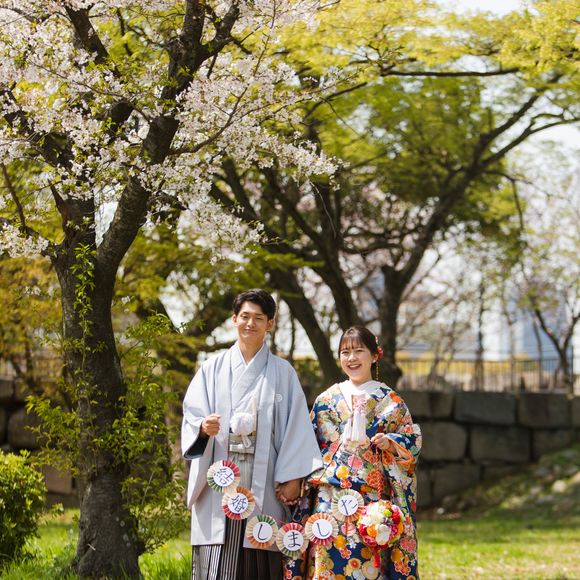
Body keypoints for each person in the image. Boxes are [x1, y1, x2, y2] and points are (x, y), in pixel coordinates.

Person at [181, 289, 323, 580]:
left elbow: (296, 427)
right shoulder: (211, 369)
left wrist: (293, 477)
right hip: (219, 476)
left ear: (270, 324)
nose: (250, 323)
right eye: (244, 316)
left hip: (265, 479)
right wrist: (203, 428)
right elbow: (193, 415)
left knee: (259, 550)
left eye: (259, 318)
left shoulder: (283, 373)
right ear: (234, 319)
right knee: (216, 559)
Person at [285, 326, 422, 579]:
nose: (351, 358)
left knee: (369, 563)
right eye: (345, 352)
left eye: (359, 351)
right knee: (326, 558)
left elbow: (412, 441)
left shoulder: (391, 402)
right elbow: (306, 445)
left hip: (372, 500)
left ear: (375, 355)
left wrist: (391, 443)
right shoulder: (326, 400)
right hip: (329, 497)